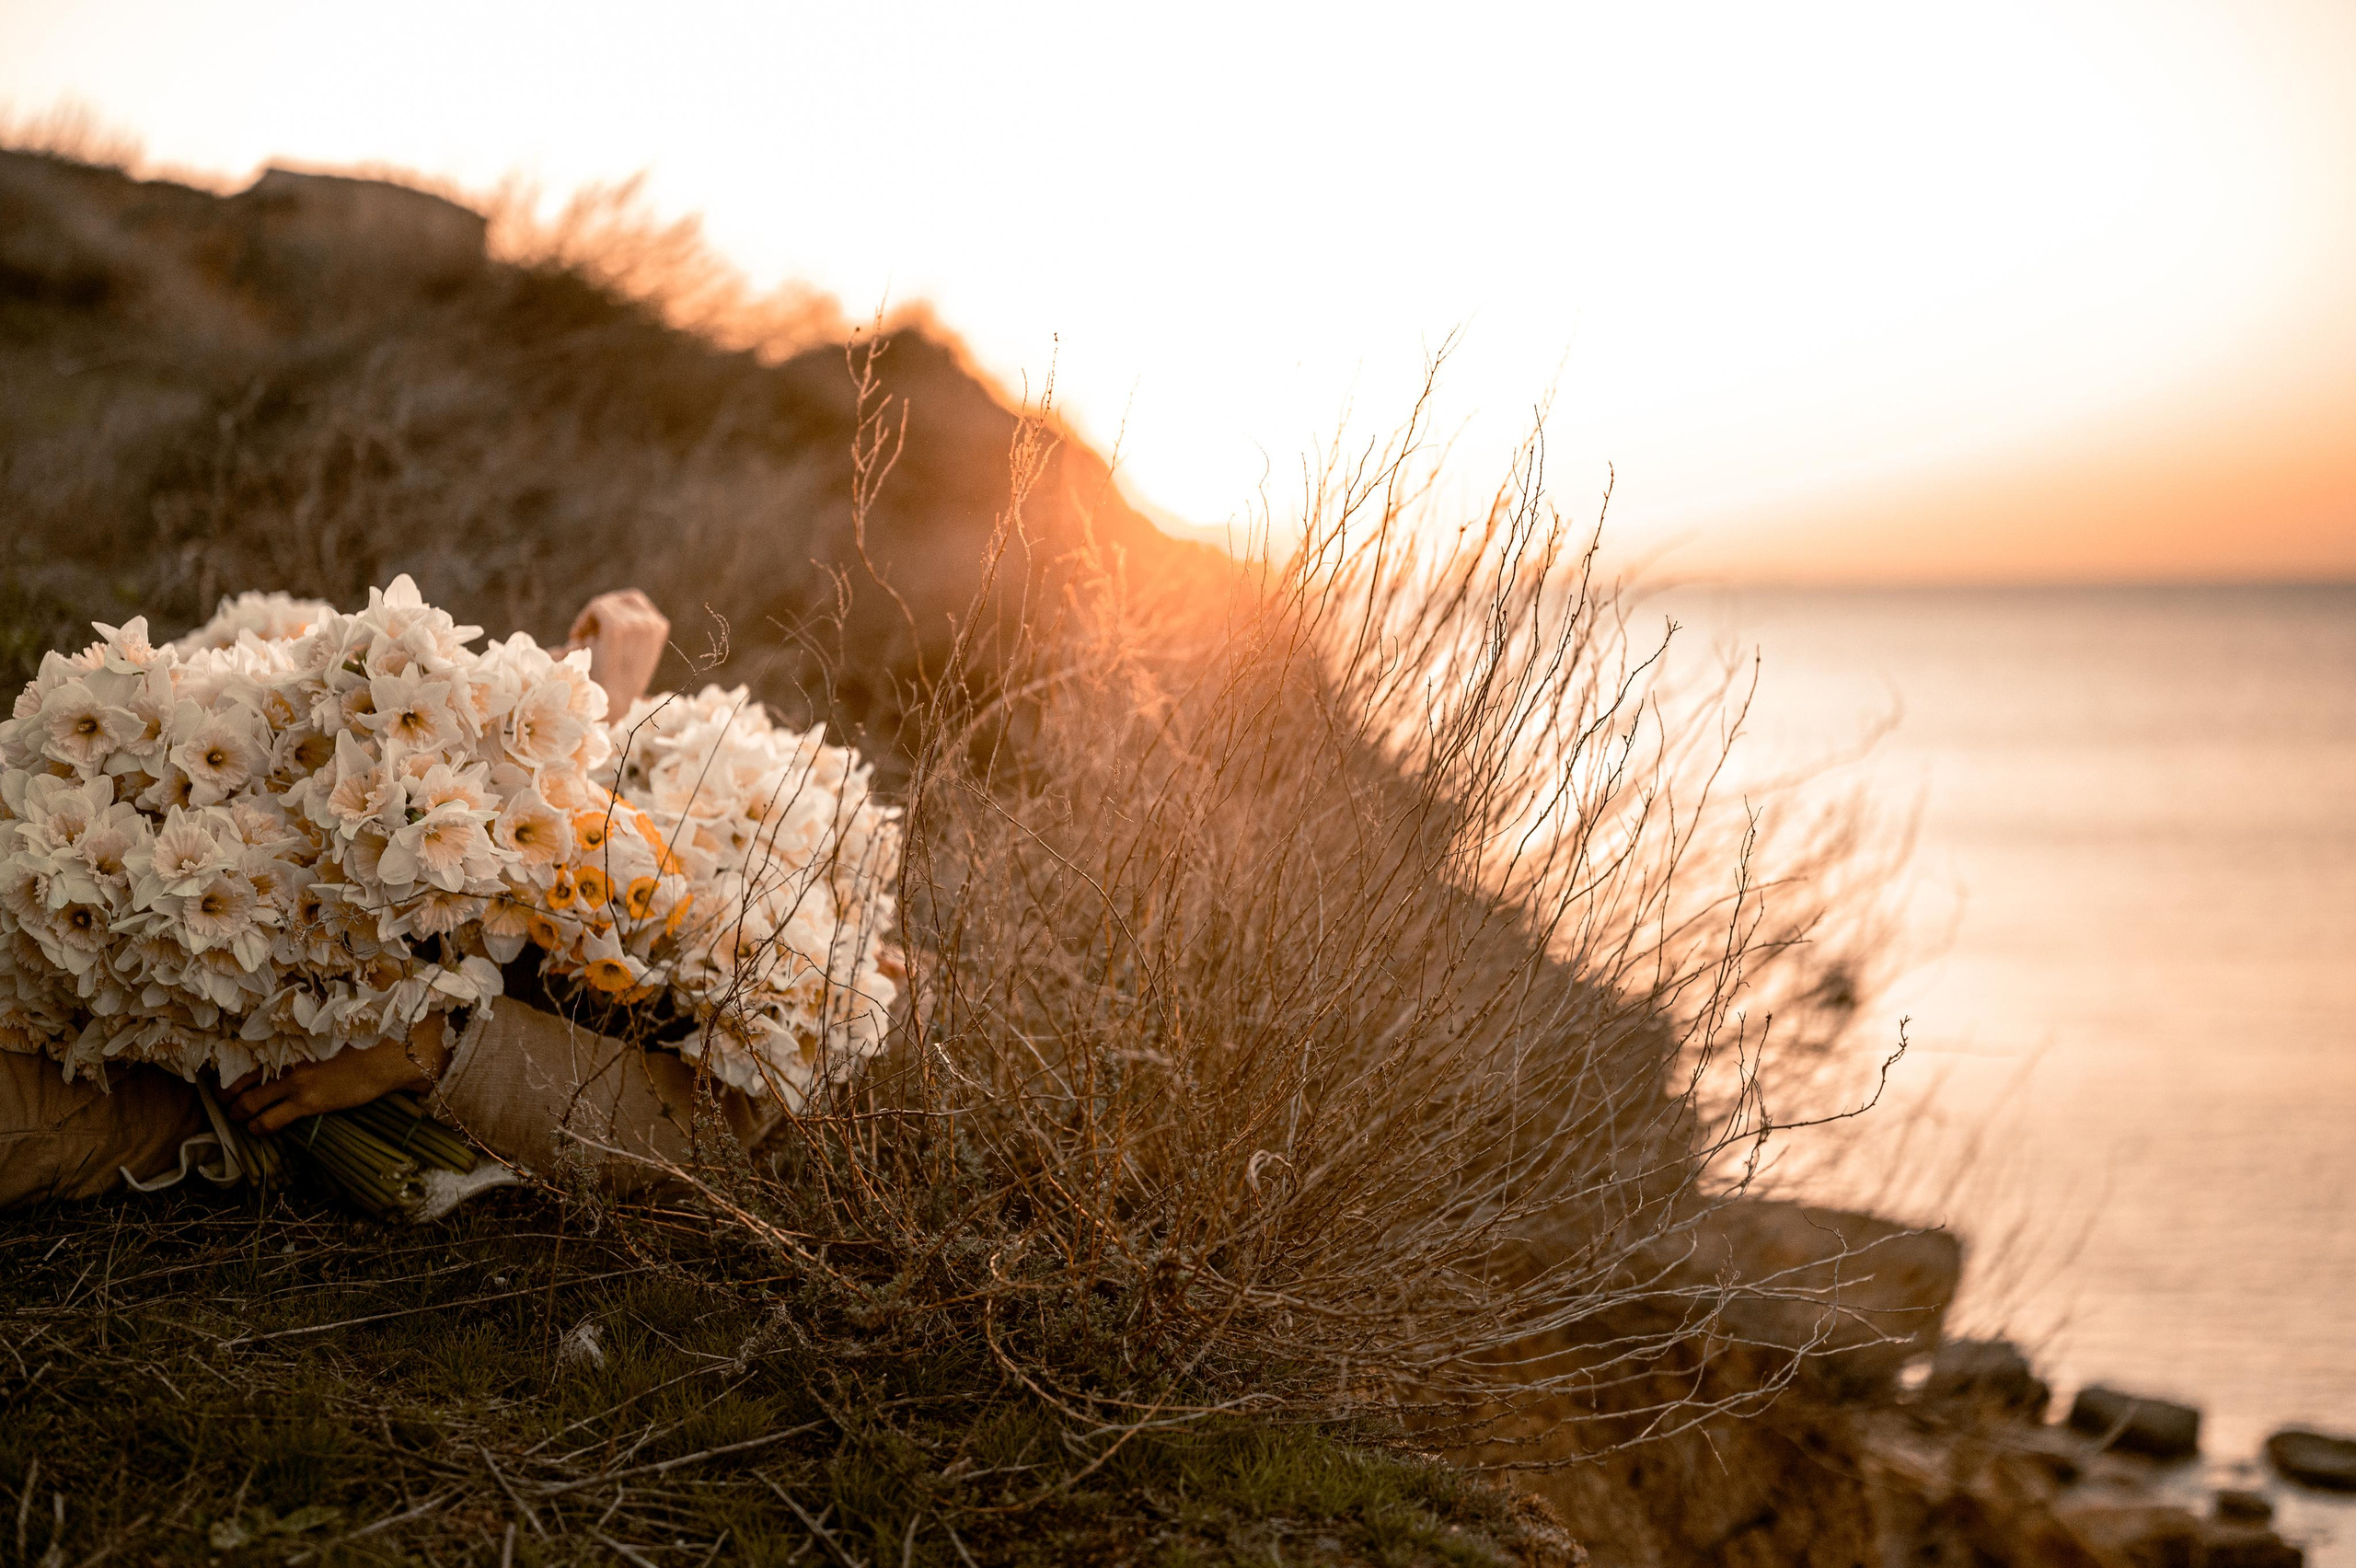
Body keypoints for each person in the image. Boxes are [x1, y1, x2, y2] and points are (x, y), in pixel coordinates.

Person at [1, 587, 767, 1207]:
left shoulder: (773, 934)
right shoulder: (574, 793)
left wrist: (429, 1044)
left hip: (190, 1050)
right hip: (172, 907)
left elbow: (707, 1131)